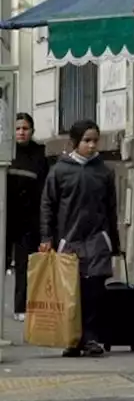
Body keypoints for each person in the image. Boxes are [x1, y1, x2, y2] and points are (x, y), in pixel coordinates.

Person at [39, 120, 121, 357]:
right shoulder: (60, 171)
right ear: (74, 143)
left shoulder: (104, 171)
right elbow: (48, 206)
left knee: (94, 289)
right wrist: (47, 237)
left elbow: (111, 209)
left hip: (97, 240)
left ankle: (91, 338)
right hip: (70, 240)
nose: (92, 145)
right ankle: (73, 339)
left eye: (95, 140)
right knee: (72, 292)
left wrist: (113, 243)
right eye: (87, 140)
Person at [7, 113, 48, 322]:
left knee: (24, 265)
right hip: (5, 217)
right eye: (18, 128)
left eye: (25, 128)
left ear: (31, 131)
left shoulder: (39, 156)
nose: (21, 132)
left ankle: (21, 307)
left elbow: (44, 191)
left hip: (27, 220)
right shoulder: (5, 152)